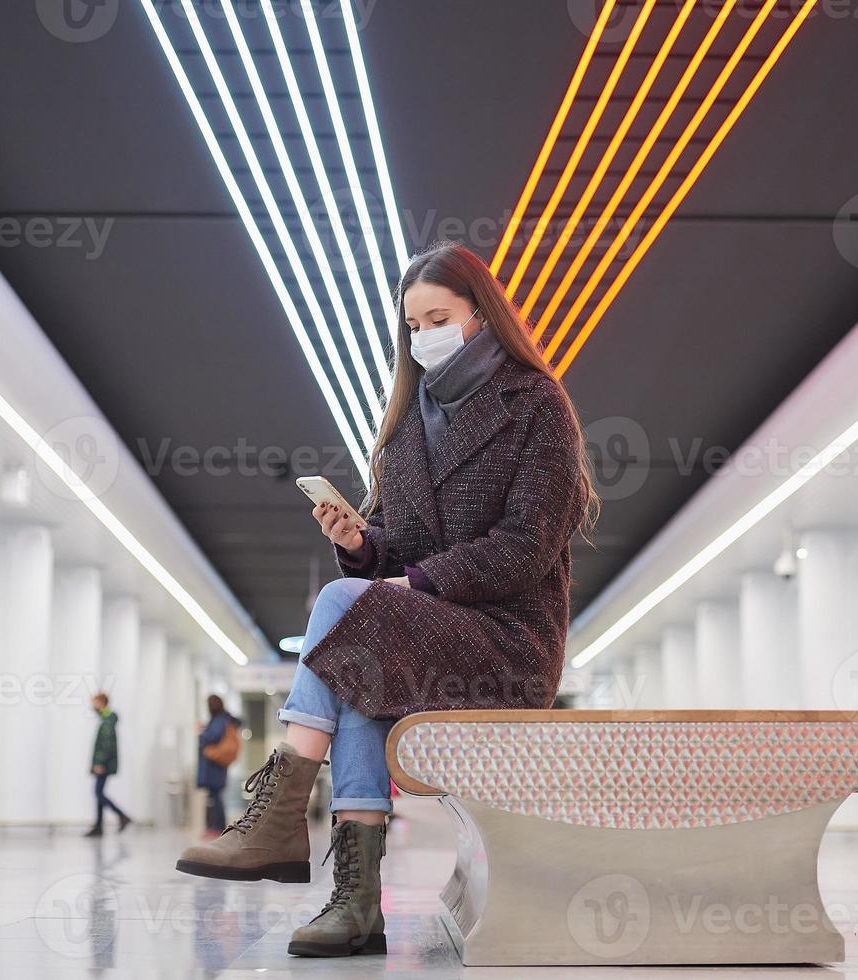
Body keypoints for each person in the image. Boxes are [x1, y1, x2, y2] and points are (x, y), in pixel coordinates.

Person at [176, 241, 598, 958]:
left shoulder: (536, 404)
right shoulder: (406, 422)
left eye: (441, 316)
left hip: (507, 642)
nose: (425, 334)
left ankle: (282, 820)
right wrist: (365, 547)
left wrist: (408, 583)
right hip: (429, 630)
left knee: (353, 612)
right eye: (414, 323)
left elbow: (525, 548)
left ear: (482, 314)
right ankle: (356, 903)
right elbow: (400, 546)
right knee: (359, 660)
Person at [85, 692, 131, 837]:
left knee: (98, 793)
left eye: (94, 702)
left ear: (101, 702)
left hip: (103, 764)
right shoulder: (106, 719)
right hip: (104, 764)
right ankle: (98, 826)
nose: (93, 706)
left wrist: (100, 762)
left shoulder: (107, 721)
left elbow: (106, 744)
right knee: (99, 793)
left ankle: (122, 815)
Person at [196, 694, 240, 837]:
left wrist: (202, 733)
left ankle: (217, 827)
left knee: (215, 798)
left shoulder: (220, 720)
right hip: (217, 765)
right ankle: (214, 827)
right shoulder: (223, 719)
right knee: (214, 797)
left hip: (214, 766)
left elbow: (213, 736)